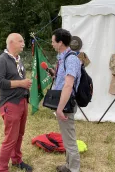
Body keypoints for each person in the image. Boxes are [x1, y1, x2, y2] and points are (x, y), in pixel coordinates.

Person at [0, 33, 33, 172]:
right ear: (11, 43)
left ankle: (16, 160)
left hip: (22, 101)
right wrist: (21, 83)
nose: (23, 44)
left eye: (23, 41)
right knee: (10, 137)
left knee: (20, 134)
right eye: (20, 41)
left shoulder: (18, 59)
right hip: (10, 104)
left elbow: (17, 77)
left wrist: (25, 85)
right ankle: (2, 168)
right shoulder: (2, 60)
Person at [50, 28, 81, 172]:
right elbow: (64, 80)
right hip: (63, 103)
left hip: (66, 104)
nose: (52, 44)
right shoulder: (63, 57)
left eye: (53, 41)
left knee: (69, 139)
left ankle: (73, 169)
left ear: (60, 42)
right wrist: (54, 75)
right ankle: (68, 166)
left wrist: (60, 108)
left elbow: (69, 85)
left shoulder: (71, 59)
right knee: (67, 137)